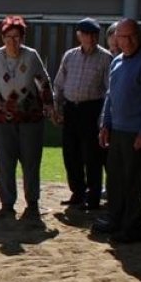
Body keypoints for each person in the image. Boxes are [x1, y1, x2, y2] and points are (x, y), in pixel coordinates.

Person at [0, 15, 55, 221]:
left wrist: (49, 105)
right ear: (2, 38)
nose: (13, 41)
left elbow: (44, 82)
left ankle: (32, 204)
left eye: (17, 37)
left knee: (31, 161)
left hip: (30, 118)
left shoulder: (31, 56)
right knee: (4, 162)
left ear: (22, 38)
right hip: (1, 120)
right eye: (9, 37)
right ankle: (7, 204)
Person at [95, 19, 141, 243]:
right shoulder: (117, 61)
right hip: (117, 130)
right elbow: (110, 95)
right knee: (115, 178)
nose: (127, 41)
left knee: (134, 181)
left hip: (137, 132)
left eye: (132, 36)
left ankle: (133, 227)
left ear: (140, 35)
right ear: (116, 39)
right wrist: (105, 124)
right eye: (122, 37)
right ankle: (115, 218)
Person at [53, 18, 112, 210]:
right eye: (87, 34)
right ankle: (77, 192)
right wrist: (57, 107)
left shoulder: (106, 58)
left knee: (92, 156)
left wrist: (103, 118)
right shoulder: (70, 56)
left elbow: (109, 90)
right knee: (71, 153)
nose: (91, 38)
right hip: (71, 109)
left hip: (91, 109)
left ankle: (93, 196)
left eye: (94, 35)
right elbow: (59, 84)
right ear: (79, 35)